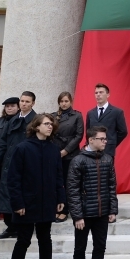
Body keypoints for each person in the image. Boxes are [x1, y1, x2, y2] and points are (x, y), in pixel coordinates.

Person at [7, 113, 65, 259]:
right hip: (26, 203)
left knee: (45, 239)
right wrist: (18, 203)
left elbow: (58, 176)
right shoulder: (22, 148)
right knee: (23, 240)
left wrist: (60, 198)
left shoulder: (54, 149)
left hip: (47, 201)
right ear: (36, 126)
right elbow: (13, 179)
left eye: (51, 124)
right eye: (46, 124)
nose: (50, 126)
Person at [67, 126, 120, 259]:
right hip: (84, 215)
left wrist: (112, 210)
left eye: (105, 139)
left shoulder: (107, 159)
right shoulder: (78, 160)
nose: (105, 142)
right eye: (102, 139)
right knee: (79, 249)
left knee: (100, 248)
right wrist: (77, 216)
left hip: (102, 213)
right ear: (91, 140)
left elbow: (112, 186)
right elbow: (72, 190)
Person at [0, 91, 36, 240]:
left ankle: (21, 226)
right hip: (8, 162)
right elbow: (3, 142)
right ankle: (10, 226)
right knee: (6, 193)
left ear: (33, 103)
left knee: (22, 194)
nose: (24, 104)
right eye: (22, 101)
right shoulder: (12, 120)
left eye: (27, 102)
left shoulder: (36, 120)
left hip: (26, 164)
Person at [53, 92, 84, 223]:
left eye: (66, 101)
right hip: (55, 153)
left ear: (71, 101)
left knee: (69, 182)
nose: (64, 104)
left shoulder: (77, 116)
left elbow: (79, 135)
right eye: (61, 101)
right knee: (56, 182)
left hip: (70, 154)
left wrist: (66, 151)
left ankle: (66, 210)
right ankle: (57, 207)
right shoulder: (53, 116)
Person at [84, 83, 128, 159]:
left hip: (108, 150)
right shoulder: (90, 113)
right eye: (96, 93)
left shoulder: (117, 112)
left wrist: (112, 143)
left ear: (108, 95)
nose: (98, 95)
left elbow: (123, 131)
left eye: (101, 92)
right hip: (92, 151)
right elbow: (88, 131)